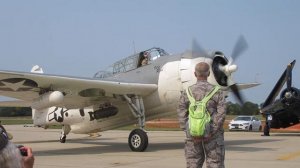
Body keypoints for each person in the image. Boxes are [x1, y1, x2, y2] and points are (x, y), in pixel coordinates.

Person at [177, 62, 226, 168]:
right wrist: (211, 132)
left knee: (193, 164)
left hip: (193, 135)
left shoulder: (187, 92)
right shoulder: (217, 92)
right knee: (215, 164)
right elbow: (221, 113)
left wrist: (190, 132)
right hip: (214, 137)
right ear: (209, 74)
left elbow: (181, 113)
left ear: (195, 74)